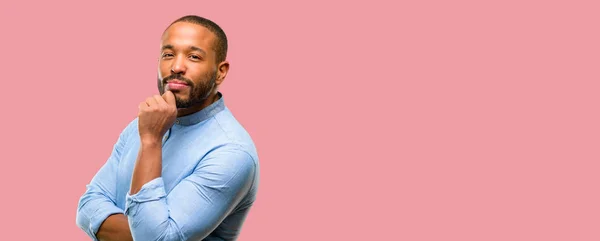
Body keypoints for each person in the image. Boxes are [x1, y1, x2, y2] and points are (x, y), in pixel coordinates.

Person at [76, 15, 260, 241]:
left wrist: (152, 141)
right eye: (168, 55)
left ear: (220, 71)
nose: (176, 66)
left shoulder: (232, 152)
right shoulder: (140, 126)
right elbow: (87, 206)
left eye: (194, 57)